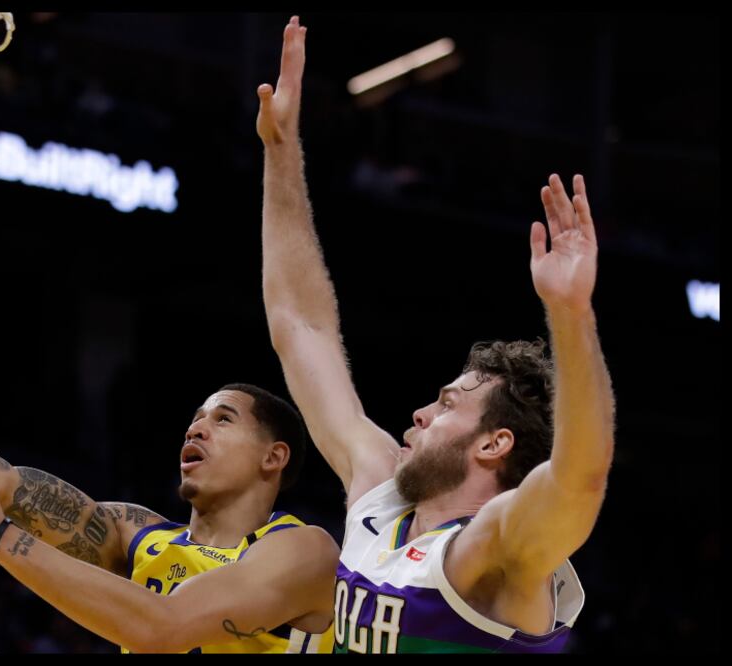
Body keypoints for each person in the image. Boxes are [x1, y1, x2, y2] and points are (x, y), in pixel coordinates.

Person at [256, 16, 613, 653]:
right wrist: (282, 151)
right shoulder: (379, 494)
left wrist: (570, 314)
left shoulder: (498, 550)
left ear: (494, 443)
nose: (419, 413)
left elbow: (579, 477)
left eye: (448, 404)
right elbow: (300, 326)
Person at [0, 245, 337, 653]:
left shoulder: (302, 551)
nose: (196, 430)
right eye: (194, 419)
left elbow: (161, 626)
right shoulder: (134, 534)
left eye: (222, 419)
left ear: (275, 457)